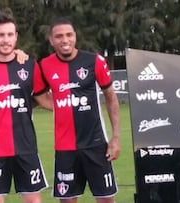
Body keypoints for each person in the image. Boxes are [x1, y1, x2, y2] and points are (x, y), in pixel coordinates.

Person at [0, 11, 53, 203]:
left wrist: (75, 104)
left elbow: (44, 100)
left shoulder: (30, 66)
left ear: (16, 36)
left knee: (33, 201)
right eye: (0, 35)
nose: (5, 40)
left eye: (9, 34)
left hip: (26, 148)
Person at [39, 17, 121, 203]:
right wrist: (60, 105)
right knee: (67, 200)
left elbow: (111, 98)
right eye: (59, 36)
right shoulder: (44, 65)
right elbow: (39, 94)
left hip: (96, 145)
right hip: (65, 148)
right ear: (51, 40)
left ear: (75, 36)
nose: (65, 40)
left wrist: (115, 138)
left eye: (69, 35)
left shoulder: (95, 61)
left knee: (106, 199)